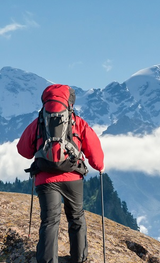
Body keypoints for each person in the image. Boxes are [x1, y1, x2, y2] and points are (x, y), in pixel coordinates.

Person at [17, 84, 104, 263]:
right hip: (73, 177)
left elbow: (23, 150)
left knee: (50, 221)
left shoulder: (39, 122)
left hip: (45, 178)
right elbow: (94, 151)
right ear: (69, 102)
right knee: (76, 217)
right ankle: (79, 258)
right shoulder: (77, 122)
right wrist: (99, 166)